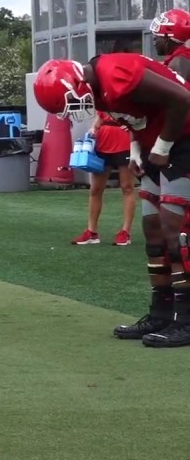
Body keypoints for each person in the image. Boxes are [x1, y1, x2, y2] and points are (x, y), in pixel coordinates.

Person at [32, 53, 190, 346]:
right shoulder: (98, 87)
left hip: (182, 139)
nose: (73, 110)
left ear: (76, 83)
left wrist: (163, 146)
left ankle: (187, 319)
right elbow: (136, 117)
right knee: (153, 229)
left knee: (176, 231)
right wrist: (136, 150)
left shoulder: (116, 72)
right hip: (158, 142)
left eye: (70, 102)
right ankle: (162, 313)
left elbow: (182, 98)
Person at [71, 113, 135, 246]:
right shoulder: (104, 96)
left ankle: (125, 232)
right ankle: (91, 232)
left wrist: (134, 127)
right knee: (95, 189)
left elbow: (142, 116)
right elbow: (100, 116)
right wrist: (93, 128)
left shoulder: (133, 94)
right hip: (103, 143)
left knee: (127, 187)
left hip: (125, 142)